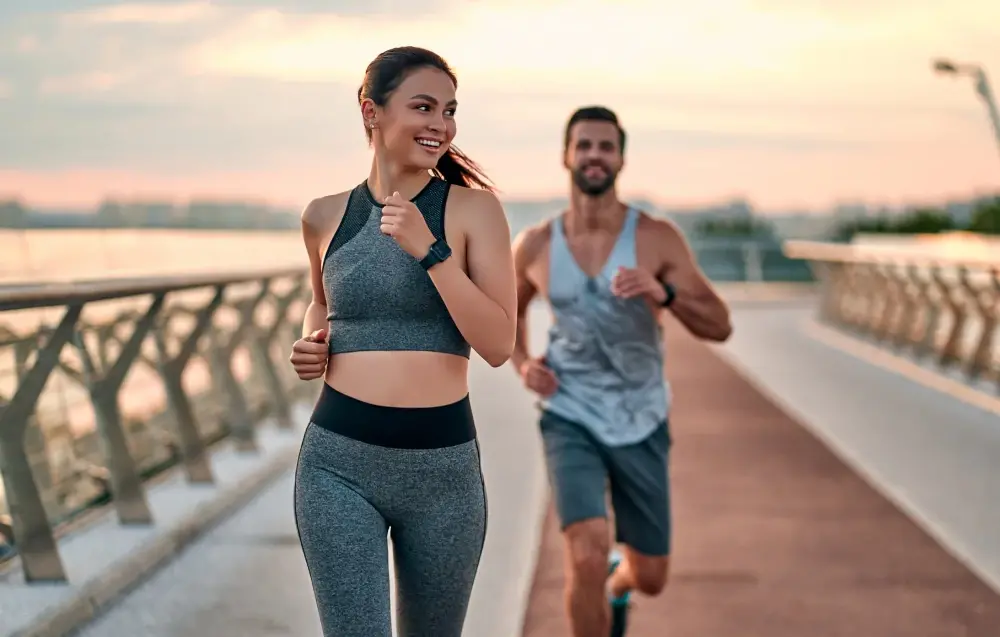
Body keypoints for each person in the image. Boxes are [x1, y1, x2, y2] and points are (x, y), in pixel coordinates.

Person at [287, 46, 517, 637]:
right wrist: (310, 345)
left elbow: (498, 343)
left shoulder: (473, 211)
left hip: (443, 474)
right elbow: (324, 304)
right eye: (423, 106)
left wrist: (431, 251)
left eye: (449, 110)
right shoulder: (322, 214)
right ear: (372, 112)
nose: (440, 124)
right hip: (337, 465)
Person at [511, 106, 732, 637]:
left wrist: (666, 293)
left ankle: (620, 583)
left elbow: (720, 325)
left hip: (641, 417)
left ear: (621, 159)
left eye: (605, 146)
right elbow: (508, 309)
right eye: (584, 145)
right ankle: (600, 581)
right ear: (566, 155)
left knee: (651, 575)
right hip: (569, 412)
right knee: (583, 552)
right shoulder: (537, 244)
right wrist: (523, 363)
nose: (594, 155)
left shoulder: (656, 238)